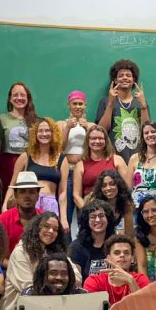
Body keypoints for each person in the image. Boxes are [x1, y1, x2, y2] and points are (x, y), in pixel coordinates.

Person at [2, 211, 78, 310]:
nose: (51, 231)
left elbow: (77, 278)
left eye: (55, 229)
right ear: (37, 228)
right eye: (46, 226)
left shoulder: (56, 252)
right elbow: (28, 288)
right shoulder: (20, 252)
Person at [1, 253, 86, 310]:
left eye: (64, 274)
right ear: (43, 275)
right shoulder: (29, 295)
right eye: (53, 273)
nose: (59, 277)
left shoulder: (81, 295)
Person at [70, 126, 130, 231]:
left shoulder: (117, 160)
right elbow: (76, 195)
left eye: (100, 138)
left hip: (115, 210)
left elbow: (127, 186)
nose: (97, 141)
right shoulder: (81, 164)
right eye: (93, 138)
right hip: (90, 210)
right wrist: (89, 212)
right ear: (87, 141)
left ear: (106, 141)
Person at [4, 117, 63, 215]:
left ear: (53, 133)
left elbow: (63, 193)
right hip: (28, 203)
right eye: (40, 131)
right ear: (35, 134)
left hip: (51, 204)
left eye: (47, 130)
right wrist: (4, 205)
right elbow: (13, 183)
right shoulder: (25, 157)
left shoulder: (61, 158)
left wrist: (64, 217)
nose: (44, 134)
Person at [95, 58, 149, 162]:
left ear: (134, 80)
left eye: (128, 75)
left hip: (138, 159)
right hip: (112, 159)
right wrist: (110, 104)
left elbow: (146, 131)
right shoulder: (105, 101)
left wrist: (143, 106)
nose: (125, 78)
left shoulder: (141, 102)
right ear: (115, 80)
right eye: (120, 75)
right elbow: (101, 131)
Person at [58, 90, 93, 237]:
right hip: (67, 173)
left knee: (85, 212)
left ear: (85, 106)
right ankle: (65, 248)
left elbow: (96, 148)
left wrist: (87, 129)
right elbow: (59, 149)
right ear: (69, 106)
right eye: (75, 104)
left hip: (85, 173)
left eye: (81, 104)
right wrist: (67, 128)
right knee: (65, 212)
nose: (78, 107)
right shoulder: (60, 124)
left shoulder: (91, 125)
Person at [82, 234, 150, 305]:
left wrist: (131, 281)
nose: (122, 255)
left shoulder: (141, 279)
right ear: (109, 258)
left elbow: (146, 308)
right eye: (117, 253)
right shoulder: (94, 281)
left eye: (126, 253)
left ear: (132, 259)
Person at [0, 81, 37, 192]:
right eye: (15, 95)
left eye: (22, 95)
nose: (19, 98)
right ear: (10, 99)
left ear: (28, 98)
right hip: (7, 164)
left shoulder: (35, 121)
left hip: (29, 165)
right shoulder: (1, 119)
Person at [0, 171, 43, 259]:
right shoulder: (3, 220)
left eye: (31, 192)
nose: (27, 196)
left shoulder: (45, 219)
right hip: (8, 269)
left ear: (38, 195)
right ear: (15, 195)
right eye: (22, 192)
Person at [68, 199, 117, 278]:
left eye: (101, 216)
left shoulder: (116, 244)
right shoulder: (76, 247)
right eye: (93, 217)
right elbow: (76, 280)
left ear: (108, 219)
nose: (97, 220)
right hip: (87, 289)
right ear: (86, 221)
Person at [90, 168, 134, 234]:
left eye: (112, 184)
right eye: (104, 186)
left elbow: (129, 233)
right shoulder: (94, 202)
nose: (108, 188)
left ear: (119, 185)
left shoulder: (126, 203)